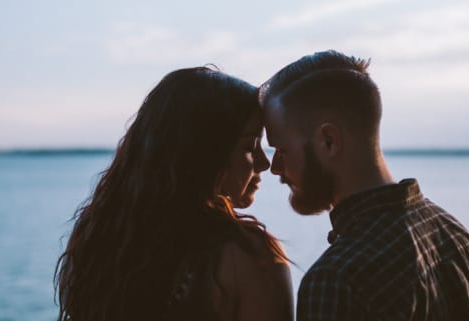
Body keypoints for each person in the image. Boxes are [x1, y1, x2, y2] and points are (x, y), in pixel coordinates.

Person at [258, 50, 469, 321]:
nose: (275, 167)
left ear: (328, 141)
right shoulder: (455, 235)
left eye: (282, 150)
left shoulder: (337, 280)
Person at [55, 66, 293, 321]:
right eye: (250, 145)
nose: (263, 163)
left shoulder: (98, 241)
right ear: (206, 153)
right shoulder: (249, 258)